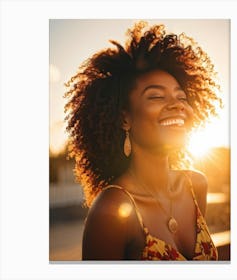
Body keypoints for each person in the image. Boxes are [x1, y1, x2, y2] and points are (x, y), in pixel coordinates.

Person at [64, 21, 221, 261]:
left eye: (181, 96)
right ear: (125, 119)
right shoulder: (111, 209)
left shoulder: (195, 185)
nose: (177, 105)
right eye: (156, 96)